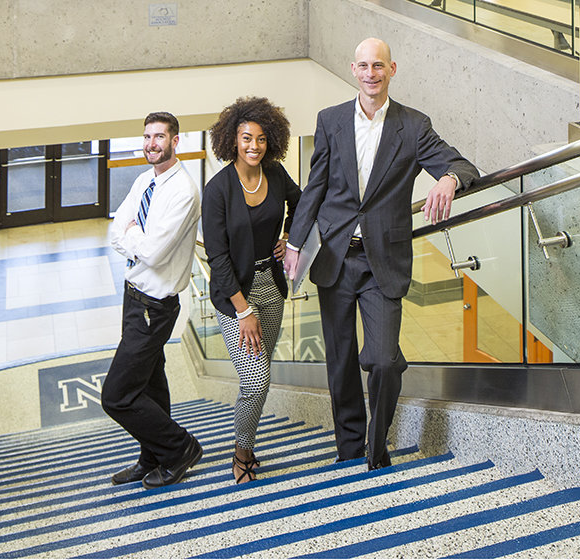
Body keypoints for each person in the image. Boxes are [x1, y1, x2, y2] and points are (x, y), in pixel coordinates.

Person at [283, 38, 480, 470]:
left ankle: (377, 443)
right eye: (364, 66)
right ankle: (350, 448)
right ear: (354, 70)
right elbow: (315, 187)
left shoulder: (412, 125)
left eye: (380, 66)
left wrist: (448, 180)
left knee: (386, 360)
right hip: (335, 256)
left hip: (383, 262)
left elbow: (463, 165)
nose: (371, 73)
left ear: (393, 69)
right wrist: (296, 243)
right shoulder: (331, 120)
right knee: (340, 361)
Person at [201, 97, 301, 484]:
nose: (254, 146)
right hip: (235, 298)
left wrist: (290, 236)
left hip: (271, 285)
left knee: (262, 371)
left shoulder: (274, 174)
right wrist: (243, 310)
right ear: (232, 140)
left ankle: (248, 441)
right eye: (246, 138)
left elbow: (301, 200)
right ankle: (242, 449)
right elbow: (218, 257)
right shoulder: (218, 190)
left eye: (261, 139)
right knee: (256, 379)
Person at [103, 112, 203, 489]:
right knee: (148, 383)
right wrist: (133, 236)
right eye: (147, 137)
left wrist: (133, 236)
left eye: (159, 137)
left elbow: (156, 251)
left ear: (175, 142)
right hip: (133, 297)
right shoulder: (145, 180)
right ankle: (153, 455)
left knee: (116, 396)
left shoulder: (183, 191)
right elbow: (116, 229)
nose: (151, 144)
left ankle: (180, 448)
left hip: (154, 306)